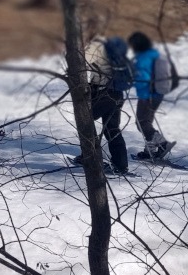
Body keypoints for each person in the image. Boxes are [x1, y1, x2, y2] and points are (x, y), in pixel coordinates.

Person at [71, 36, 129, 174]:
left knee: (85, 120)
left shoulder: (96, 45)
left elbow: (81, 63)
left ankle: (91, 157)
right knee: (112, 128)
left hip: (104, 92)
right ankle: (121, 165)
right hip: (116, 92)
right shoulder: (112, 46)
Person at [128, 31, 173, 159]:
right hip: (159, 93)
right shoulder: (155, 54)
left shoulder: (143, 57)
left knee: (141, 122)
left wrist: (130, 78)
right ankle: (149, 151)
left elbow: (142, 76)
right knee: (147, 122)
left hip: (148, 94)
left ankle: (162, 143)